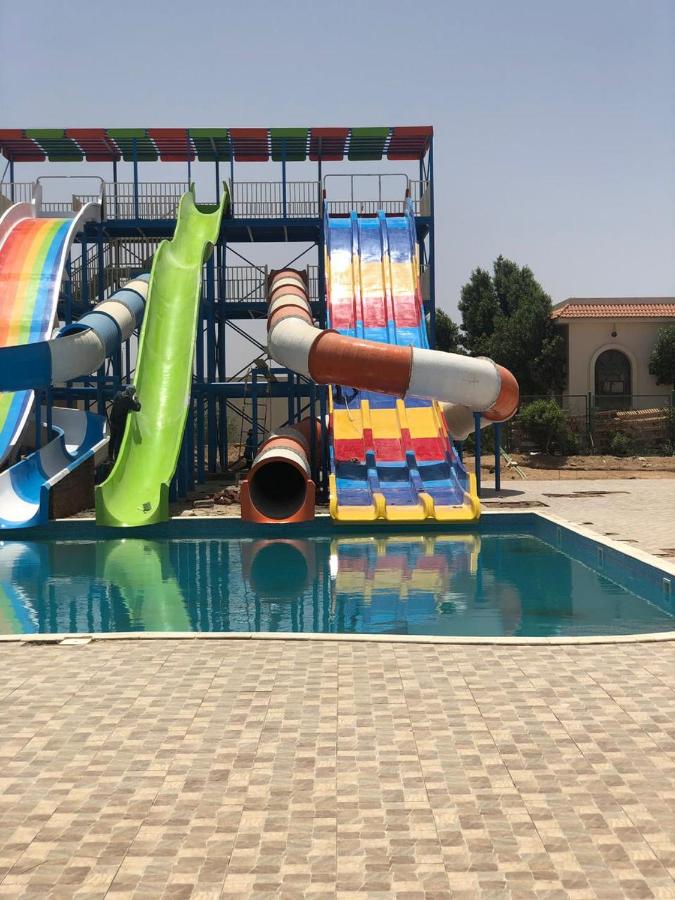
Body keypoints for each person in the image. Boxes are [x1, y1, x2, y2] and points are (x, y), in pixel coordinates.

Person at [109, 385, 141, 462]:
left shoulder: (118, 394)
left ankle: (110, 456)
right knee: (118, 441)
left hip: (113, 420)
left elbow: (114, 400)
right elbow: (137, 408)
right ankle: (116, 458)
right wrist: (136, 400)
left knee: (112, 439)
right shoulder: (128, 400)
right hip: (120, 424)